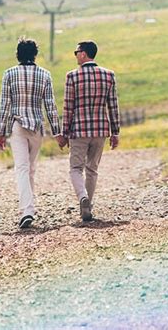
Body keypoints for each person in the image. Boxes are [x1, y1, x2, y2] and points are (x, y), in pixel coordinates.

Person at [0, 37, 65, 229]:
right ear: (35, 54)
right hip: (37, 127)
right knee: (31, 168)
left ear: (18, 54)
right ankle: (29, 209)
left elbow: (5, 106)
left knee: (22, 168)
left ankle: (27, 210)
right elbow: (50, 106)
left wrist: (1, 132)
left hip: (18, 126)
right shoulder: (45, 75)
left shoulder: (9, 74)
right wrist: (57, 132)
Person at [60, 40, 120, 222]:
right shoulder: (109, 75)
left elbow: (68, 107)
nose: (75, 55)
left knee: (75, 168)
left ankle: (82, 197)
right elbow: (113, 106)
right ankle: (88, 206)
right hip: (101, 129)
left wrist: (64, 133)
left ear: (84, 54)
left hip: (79, 130)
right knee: (92, 169)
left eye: (76, 52)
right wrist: (115, 132)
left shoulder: (72, 76)